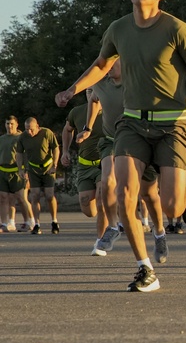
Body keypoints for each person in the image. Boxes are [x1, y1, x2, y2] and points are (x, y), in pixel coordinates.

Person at [55, 0, 186, 292]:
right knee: (125, 193)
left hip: (174, 124)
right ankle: (146, 269)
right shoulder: (118, 29)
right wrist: (72, 90)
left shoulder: (176, 29)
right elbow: (102, 65)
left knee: (171, 207)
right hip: (132, 123)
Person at [79, 60, 167, 257]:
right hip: (111, 141)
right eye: (106, 65)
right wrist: (88, 128)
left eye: (113, 64)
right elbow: (93, 100)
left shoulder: (136, 80)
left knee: (149, 195)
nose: (108, 68)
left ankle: (160, 233)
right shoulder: (100, 82)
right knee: (107, 182)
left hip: (140, 140)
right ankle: (112, 227)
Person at [62, 97, 108, 241]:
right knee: (88, 209)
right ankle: (112, 209)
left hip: (105, 163)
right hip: (85, 165)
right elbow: (67, 130)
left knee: (102, 202)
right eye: (89, 90)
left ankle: (101, 241)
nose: (92, 93)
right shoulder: (77, 112)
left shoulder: (111, 109)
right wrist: (65, 151)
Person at [16, 117, 60, 235]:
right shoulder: (23, 137)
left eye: (31, 129)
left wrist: (55, 164)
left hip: (48, 168)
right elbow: (19, 153)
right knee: (34, 195)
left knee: (49, 195)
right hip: (33, 169)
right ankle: (37, 224)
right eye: (26, 129)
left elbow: (55, 148)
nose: (29, 132)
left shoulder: (47, 133)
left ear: (37, 127)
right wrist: (21, 169)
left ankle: (54, 221)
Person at [0, 116, 32, 232]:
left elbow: (27, 156)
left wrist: (27, 172)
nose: (9, 126)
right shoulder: (2, 139)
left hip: (18, 172)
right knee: (3, 198)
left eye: (12, 123)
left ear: (17, 124)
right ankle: (4, 224)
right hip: (3, 171)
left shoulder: (21, 138)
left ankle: (29, 221)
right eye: (7, 123)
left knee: (21, 198)